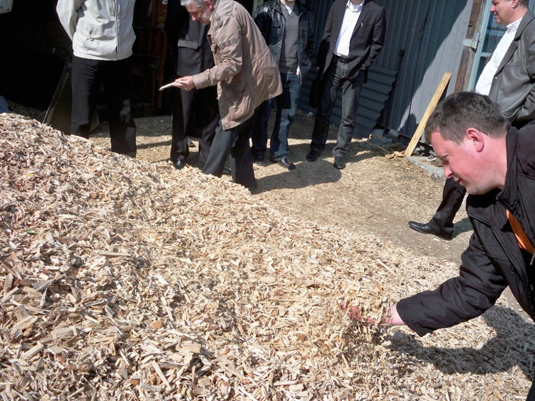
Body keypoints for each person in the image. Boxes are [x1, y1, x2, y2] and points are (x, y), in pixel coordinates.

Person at [387, 92, 535, 400]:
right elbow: (473, 289)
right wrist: (391, 314)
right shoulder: (485, 208)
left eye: (446, 159)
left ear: (474, 139)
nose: (446, 173)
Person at [408, 0, 535, 240]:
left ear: (514, 1)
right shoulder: (510, 30)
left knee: (485, 185)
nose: (491, 8)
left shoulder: (531, 31)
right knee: (459, 166)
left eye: (496, 2)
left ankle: (488, 241)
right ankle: (443, 222)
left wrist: (514, 116)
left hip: (500, 124)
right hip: (483, 115)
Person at [173, 0, 282, 191]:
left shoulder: (225, 19)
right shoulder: (223, 7)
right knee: (241, 133)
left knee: (227, 127)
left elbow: (232, 64)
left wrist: (196, 80)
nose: (193, 18)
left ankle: (204, 188)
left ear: (208, 4)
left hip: (251, 80)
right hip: (255, 78)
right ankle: (246, 184)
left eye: (196, 13)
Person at [306, 0, 386, 170]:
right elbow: (327, 35)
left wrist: (363, 65)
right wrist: (321, 63)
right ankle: (316, 147)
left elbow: (377, 43)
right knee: (324, 108)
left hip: (355, 67)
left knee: (348, 114)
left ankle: (340, 152)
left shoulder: (376, 11)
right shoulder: (338, 5)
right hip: (333, 64)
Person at [56, 0, 137, 157]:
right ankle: (78, 161)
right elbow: (65, 11)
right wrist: (82, 39)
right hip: (88, 54)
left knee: (123, 114)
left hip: (122, 54)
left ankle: (126, 163)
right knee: (82, 115)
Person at [251, 0, 315, 170]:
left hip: (293, 73)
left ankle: (278, 153)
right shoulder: (266, 9)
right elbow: (255, 41)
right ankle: (258, 150)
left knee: (287, 116)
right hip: (271, 72)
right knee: (263, 113)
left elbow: (309, 44)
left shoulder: (305, 14)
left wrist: (304, 67)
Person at [164, 1, 219, 170]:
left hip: (213, 56)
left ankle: (206, 155)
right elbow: (171, 24)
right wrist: (181, 46)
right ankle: (179, 153)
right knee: (182, 109)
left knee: (210, 109)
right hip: (187, 54)